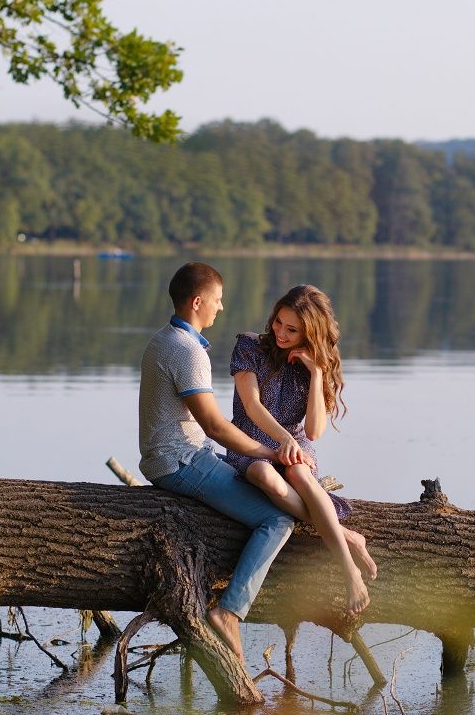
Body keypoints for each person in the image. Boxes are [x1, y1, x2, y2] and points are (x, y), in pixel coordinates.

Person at [138, 262, 301, 663]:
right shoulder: (187, 351)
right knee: (276, 520)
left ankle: (337, 529)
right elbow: (214, 425)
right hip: (180, 462)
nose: (221, 308)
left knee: (268, 492)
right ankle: (229, 612)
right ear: (198, 302)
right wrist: (266, 450)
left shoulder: (165, 339)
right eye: (217, 300)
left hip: (178, 456)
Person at [224, 285, 376, 616]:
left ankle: (349, 571)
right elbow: (251, 406)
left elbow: (313, 431)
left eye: (292, 329)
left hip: (297, 446)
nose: (280, 332)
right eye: (279, 322)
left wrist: (317, 372)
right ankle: (345, 535)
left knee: (298, 473)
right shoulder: (249, 346)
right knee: (265, 472)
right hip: (252, 443)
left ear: (309, 331)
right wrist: (280, 442)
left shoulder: (313, 365)